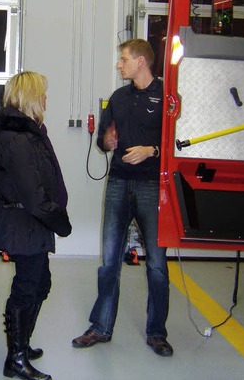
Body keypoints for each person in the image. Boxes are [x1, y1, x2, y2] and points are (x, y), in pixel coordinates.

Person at [71, 38, 172, 357]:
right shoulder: (117, 97)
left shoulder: (167, 97)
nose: (119, 64)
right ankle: (100, 327)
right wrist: (107, 140)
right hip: (117, 183)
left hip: (151, 187)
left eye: (124, 59)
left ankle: (157, 332)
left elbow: (178, 142)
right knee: (109, 262)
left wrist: (151, 150)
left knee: (156, 264)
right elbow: (103, 141)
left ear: (141, 61)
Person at [0, 71, 72, 380]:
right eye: (43, 95)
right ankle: (17, 357)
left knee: (40, 284)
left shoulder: (28, 132)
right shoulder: (17, 137)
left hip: (31, 223)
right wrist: (61, 223)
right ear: (30, 98)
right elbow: (33, 195)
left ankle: (21, 344)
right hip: (23, 222)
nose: (46, 100)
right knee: (27, 288)